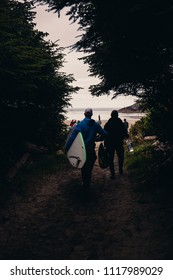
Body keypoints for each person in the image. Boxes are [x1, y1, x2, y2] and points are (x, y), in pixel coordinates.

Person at [65, 108, 108, 188]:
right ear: (91, 115)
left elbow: (72, 138)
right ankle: (87, 182)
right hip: (91, 150)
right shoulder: (95, 125)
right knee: (89, 167)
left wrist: (66, 148)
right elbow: (105, 134)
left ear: (84, 114)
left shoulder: (80, 125)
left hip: (81, 150)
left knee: (83, 167)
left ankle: (85, 182)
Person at [104, 110, 127, 179]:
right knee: (120, 156)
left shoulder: (108, 123)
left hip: (110, 143)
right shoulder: (120, 123)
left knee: (110, 158)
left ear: (111, 115)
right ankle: (120, 170)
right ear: (117, 115)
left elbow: (105, 133)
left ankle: (113, 173)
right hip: (119, 142)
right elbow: (125, 132)